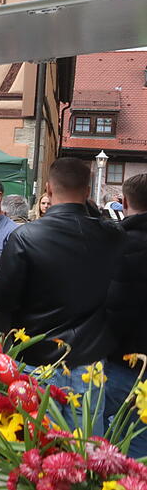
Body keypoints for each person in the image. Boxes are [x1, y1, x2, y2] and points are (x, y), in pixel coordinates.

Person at [0, 158, 122, 432]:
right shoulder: (113, 235)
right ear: (87, 191)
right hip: (88, 360)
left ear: (48, 189)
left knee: (30, 451)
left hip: (36, 359)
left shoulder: (25, 236)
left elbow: (3, 301)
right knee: (81, 456)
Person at [104, 173, 147, 456]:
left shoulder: (112, 244)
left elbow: (106, 306)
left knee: (113, 446)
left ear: (124, 201)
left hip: (121, 362)